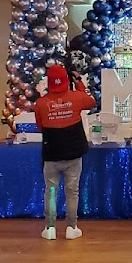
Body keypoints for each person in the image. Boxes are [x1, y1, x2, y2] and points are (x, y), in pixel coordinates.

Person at [34, 65, 95, 241]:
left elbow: (40, 126)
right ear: (66, 80)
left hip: (52, 154)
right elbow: (91, 102)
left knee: (51, 191)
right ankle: (71, 227)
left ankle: (50, 228)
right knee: (72, 191)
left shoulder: (41, 103)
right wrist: (79, 83)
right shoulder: (77, 97)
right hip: (73, 154)